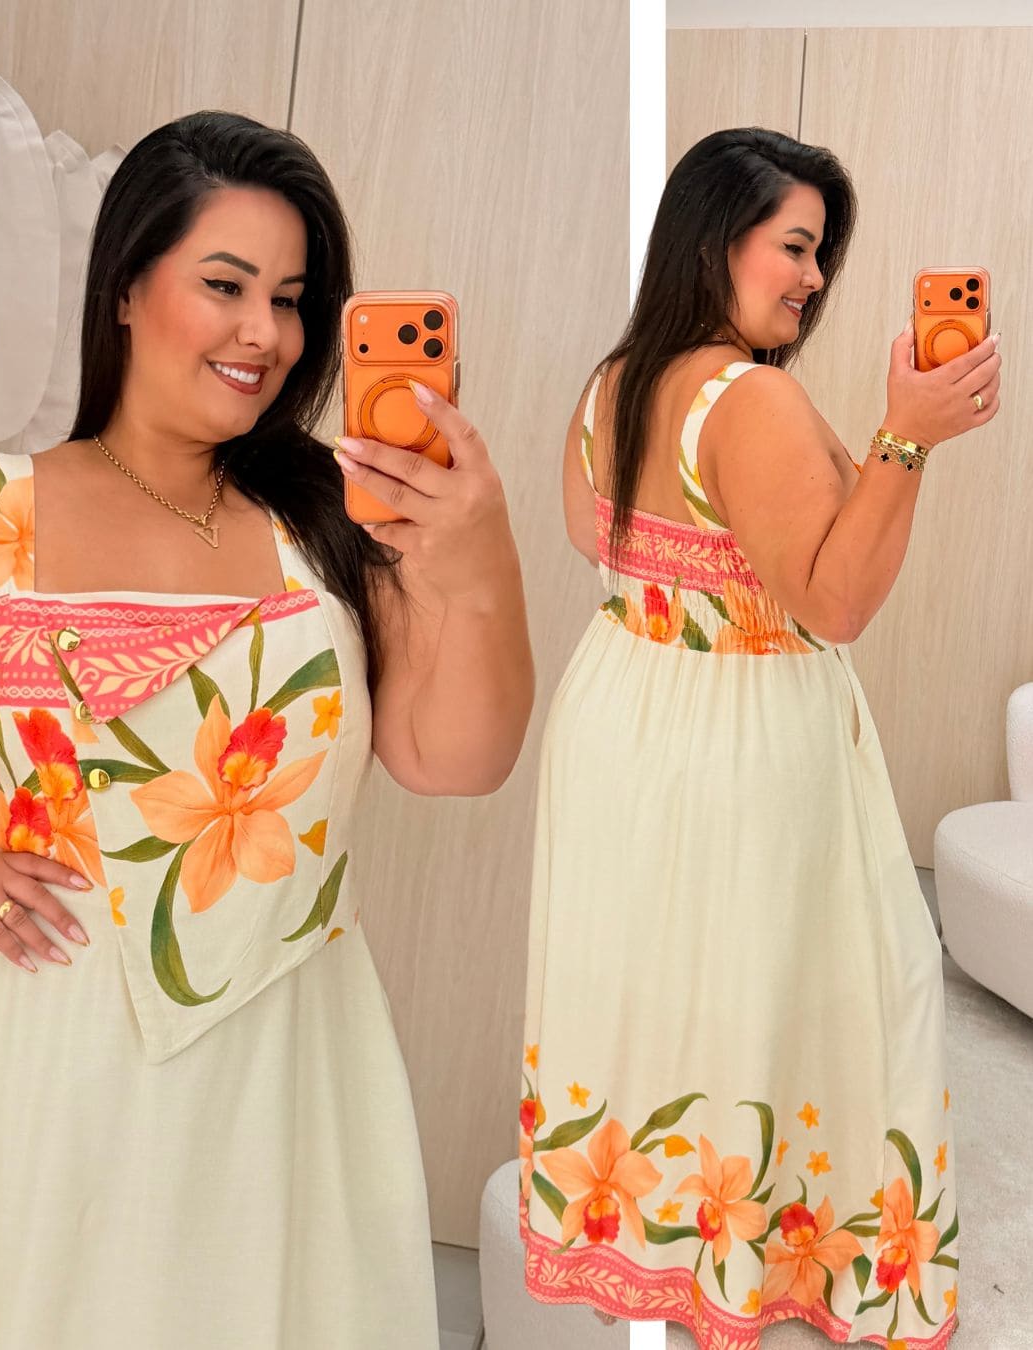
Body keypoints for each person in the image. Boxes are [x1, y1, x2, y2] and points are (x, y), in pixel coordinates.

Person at [0, 110, 533, 1350]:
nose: (264, 333)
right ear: (129, 290)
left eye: (291, 300)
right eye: (225, 285)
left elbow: (455, 760)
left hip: (279, 1051)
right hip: (32, 1050)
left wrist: (479, 555)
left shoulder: (331, 519)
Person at [518, 127, 996, 1349]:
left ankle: (651, 1233)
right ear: (713, 240)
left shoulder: (612, 383)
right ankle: (772, 1253)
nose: (814, 278)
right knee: (809, 980)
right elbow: (833, 604)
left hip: (624, 702)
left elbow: (590, 535)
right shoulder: (752, 398)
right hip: (741, 726)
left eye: (821, 254)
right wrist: (906, 438)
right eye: (794, 246)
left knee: (663, 975)